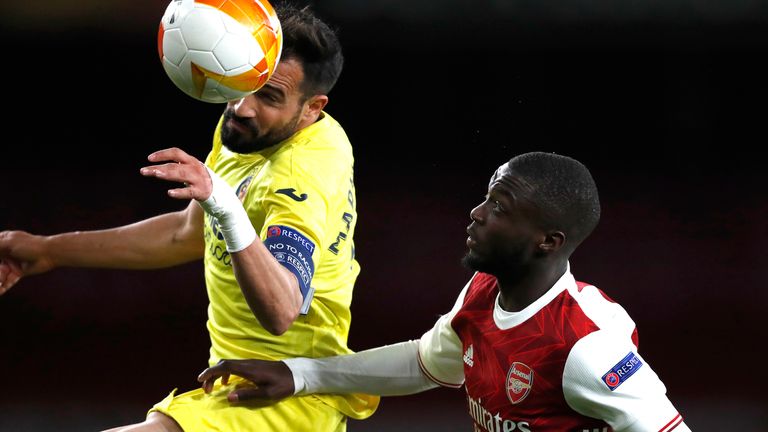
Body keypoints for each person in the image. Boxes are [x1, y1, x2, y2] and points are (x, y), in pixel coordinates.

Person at [0, 4, 378, 431]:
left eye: (269, 97)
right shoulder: (247, 132)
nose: (242, 108)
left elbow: (281, 308)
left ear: (313, 108)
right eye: (243, 85)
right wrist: (46, 250)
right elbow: (187, 233)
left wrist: (224, 203)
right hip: (238, 392)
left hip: (287, 404)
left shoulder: (300, 174)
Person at [195, 152, 693, 431]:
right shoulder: (482, 293)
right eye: (486, 196)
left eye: (500, 207)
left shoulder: (585, 344)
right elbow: (424, 363)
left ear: (549, 241)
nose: (476, 213)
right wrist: (297, 373)